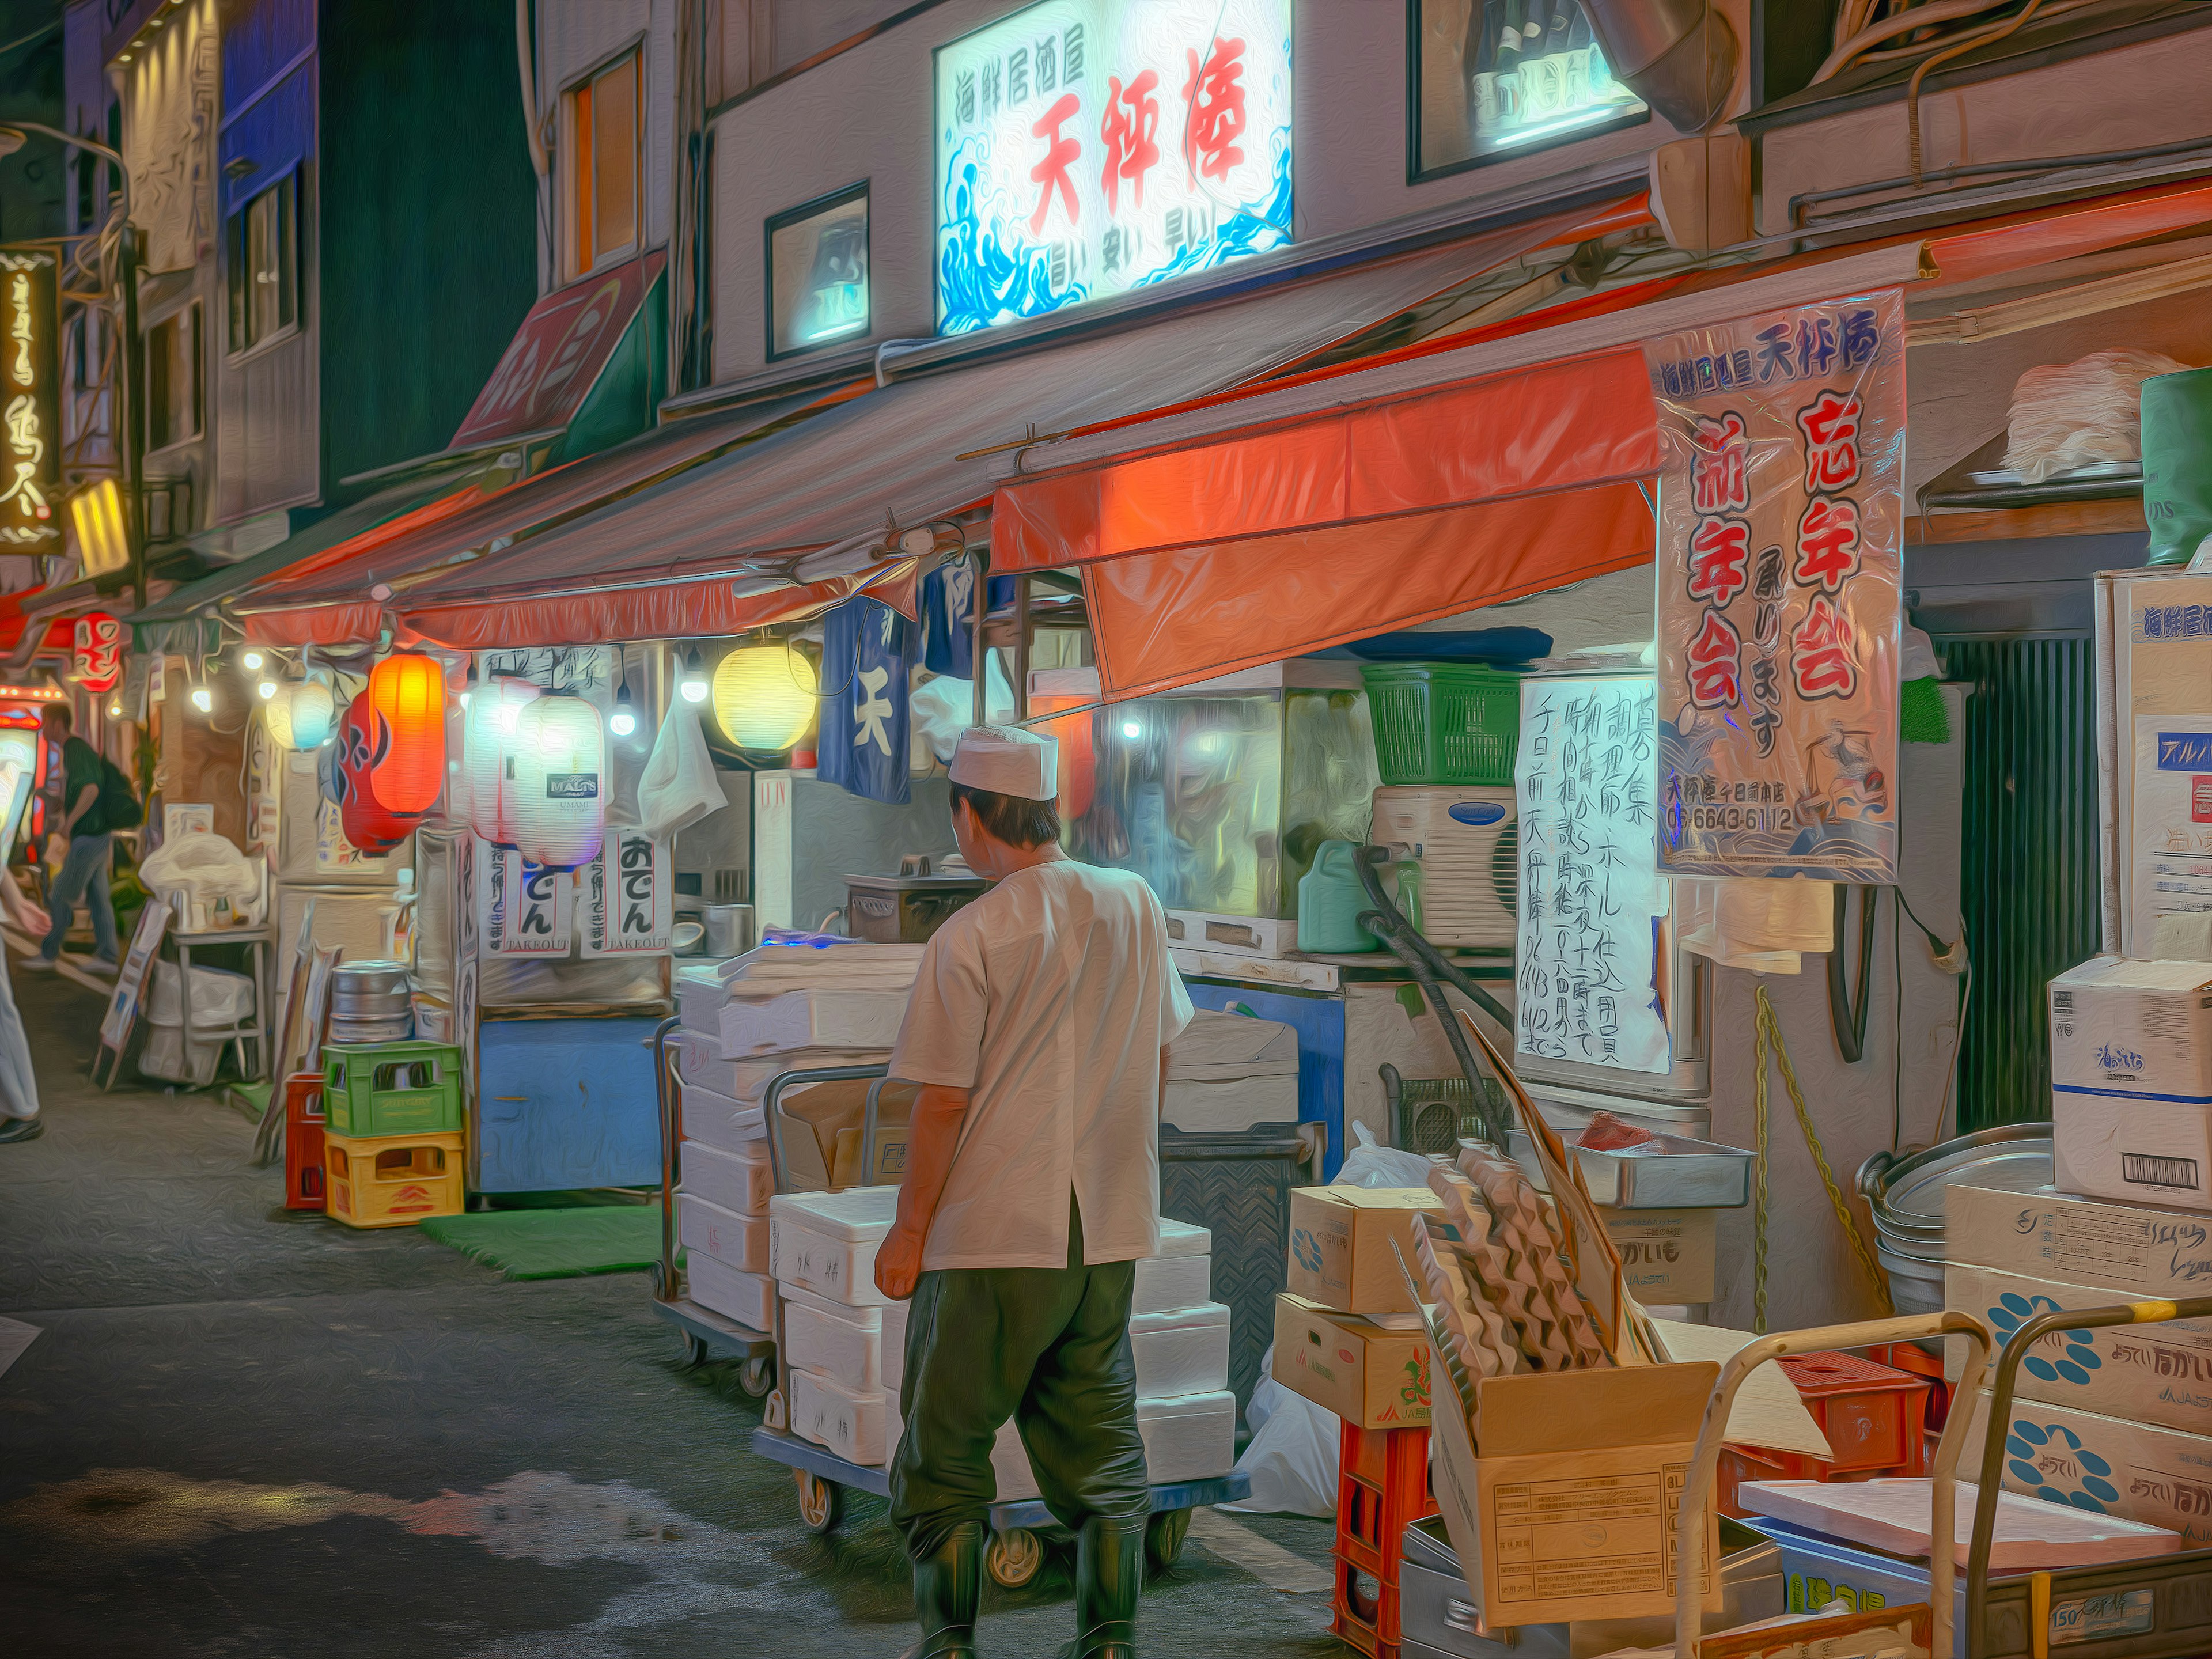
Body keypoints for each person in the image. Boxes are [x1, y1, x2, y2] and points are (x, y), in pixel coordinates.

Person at [877, 725, 1193, 1659]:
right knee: (1100, 1443)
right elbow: (1163, 1050)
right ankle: (1109, 1642)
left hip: (993, 1238)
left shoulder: (972, 934)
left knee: (945, 1449)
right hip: (1104, 1236)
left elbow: (941, 1104)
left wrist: (907, 1230)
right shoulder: (1135, 905)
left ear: (970, 816)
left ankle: (949, 1646)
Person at [26, 703, 119, 974]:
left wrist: (68, 824)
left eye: (45, 723)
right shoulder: (71, 752)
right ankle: (108, 957)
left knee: (59, 896)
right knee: (99, 898)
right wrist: (52, 801)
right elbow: (79, 795)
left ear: (57, 724)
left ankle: (48, 954)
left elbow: (90, 789)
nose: (43, 729)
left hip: (87, 838)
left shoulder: (76, 749)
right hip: (95, 836)